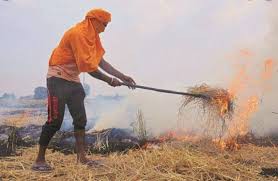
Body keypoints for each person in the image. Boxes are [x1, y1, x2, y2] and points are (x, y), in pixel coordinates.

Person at [32, 8, 136, 171]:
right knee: (55, 121)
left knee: (81, 120)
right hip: (57, 77)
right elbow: (88, 67)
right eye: (104, 24)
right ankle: (39, 160)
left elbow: (100, 61)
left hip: (72, 79)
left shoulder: (92, 37)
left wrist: (122, 76)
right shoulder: (78, 34)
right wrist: (109, 80)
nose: (105, 28)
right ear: (94, 20)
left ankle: (82, 158)